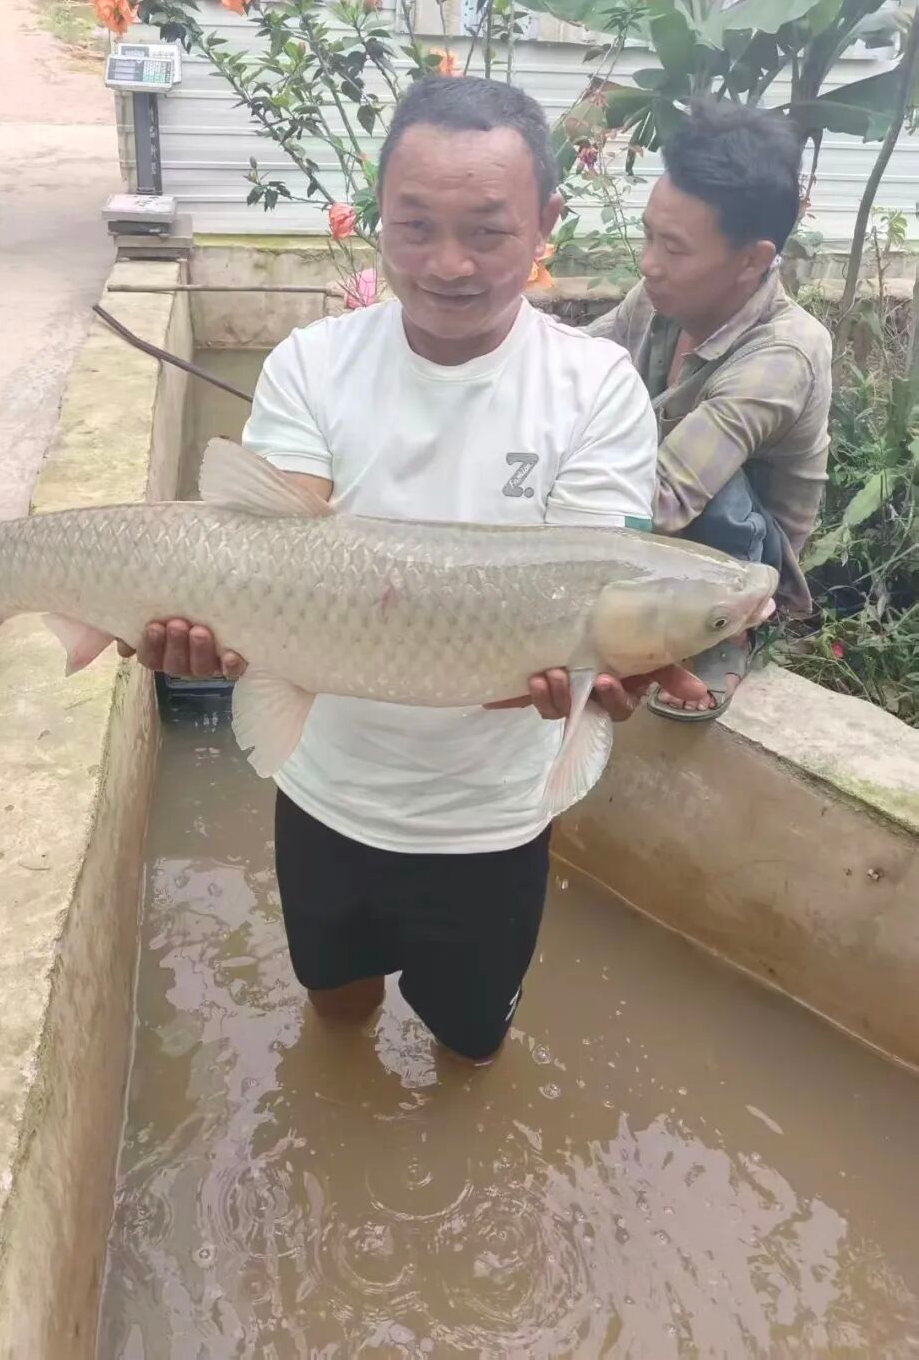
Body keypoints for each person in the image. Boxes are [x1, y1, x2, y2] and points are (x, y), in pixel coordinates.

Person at [119, 76, 705, 1064]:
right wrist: (205, 627)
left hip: (492, 823)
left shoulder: (595, 388)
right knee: (336, 1009)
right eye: (416, 225)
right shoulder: (312, 363)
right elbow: (273, 542)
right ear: (378, 213)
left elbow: (590, 587)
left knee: (471, 1045)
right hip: (326, 793)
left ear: (546, 222)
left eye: (488, 230)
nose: (448, 263)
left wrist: (605, 674)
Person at [588, 100, 831, 720]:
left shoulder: (784, 354)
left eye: (674, 248)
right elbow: (571, 365)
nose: (649, 263)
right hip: (662, 516)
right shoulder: (660, 298)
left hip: (739, 552)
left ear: (752, 259)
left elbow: (665, 499)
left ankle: (731, 632)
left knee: (713, 486)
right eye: (649, 235)